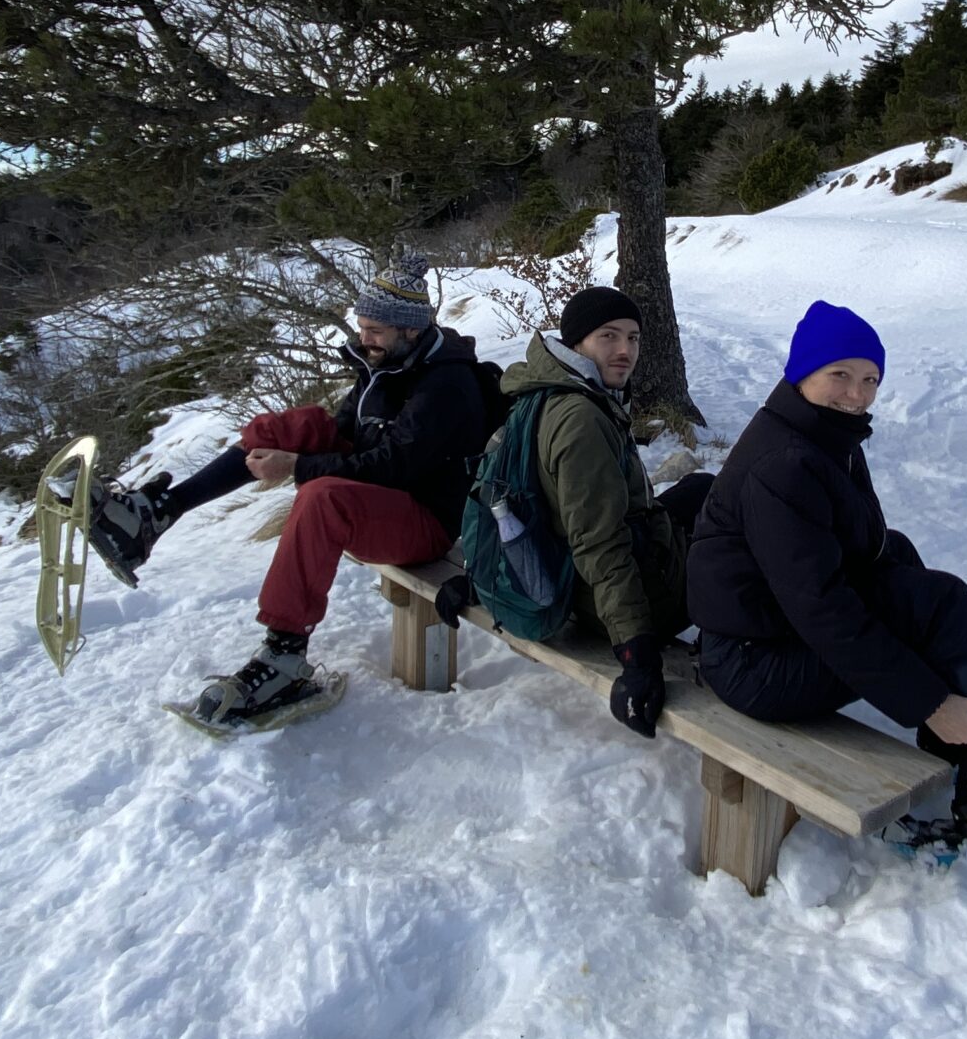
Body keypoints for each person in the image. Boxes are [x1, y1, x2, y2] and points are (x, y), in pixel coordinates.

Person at [685, 299, 967, 858]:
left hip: (768, 634)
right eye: (839, 375)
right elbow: (821, 609)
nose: (857, 394)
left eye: (870, 379)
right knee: (943, 604)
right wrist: (928, 701)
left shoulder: (823, 435)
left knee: (902, 558)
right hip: (753, 665)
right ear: (801, 375)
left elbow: (858, 555)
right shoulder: (785, 465)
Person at [86, 252, 492, 724]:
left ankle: (284, 658)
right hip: (390, 497)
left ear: (411, 330)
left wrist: (299, 467)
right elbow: (348, 429)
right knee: (290, 425)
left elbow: (396, 465)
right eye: (361, 327)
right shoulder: (388, 365)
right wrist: (293, 446)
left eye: (374, 331)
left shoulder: (447, 384)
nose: (364, 340)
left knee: (322, 497)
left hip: (426, 521)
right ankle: (156, 513)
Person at [485, 285, 713, 739]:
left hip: (568, 573)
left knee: (703, 489)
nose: (625, 350)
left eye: (633, 338)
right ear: (576, 343)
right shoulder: (581, 418)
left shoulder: (545, 391)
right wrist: (636, 652)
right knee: (736, 526)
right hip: (614, 602)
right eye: (608, 336)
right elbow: (599, 542)